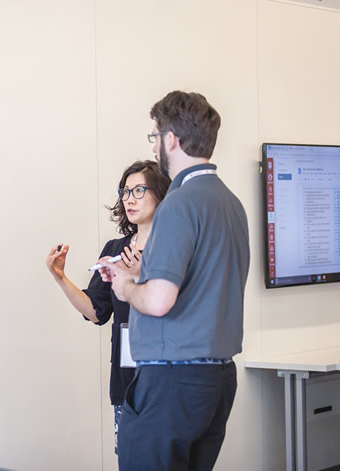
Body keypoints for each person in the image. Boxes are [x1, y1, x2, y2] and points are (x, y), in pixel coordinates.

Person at [102, 91, 250, 471]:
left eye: (154, 137)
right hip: (217, 381)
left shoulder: (178, 204)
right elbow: (202, 285)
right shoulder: (231, 204)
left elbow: (159, 301)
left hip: (174, 383)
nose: (154, 147)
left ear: (170, 139)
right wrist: (141, 275)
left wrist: (125, 286)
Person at [46, 160, 170, 455]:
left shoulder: (174, 249)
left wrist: (142, 278)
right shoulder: (115, 250)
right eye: (125, 191)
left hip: (168, 379)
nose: (129, 198)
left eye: (139, 190)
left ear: (161, 194)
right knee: (130, 459)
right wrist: (60, 277)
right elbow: (95, 310)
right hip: (126, 382)